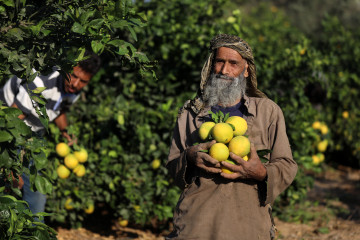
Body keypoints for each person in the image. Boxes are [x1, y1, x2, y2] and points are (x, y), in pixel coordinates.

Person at [166, 34, 298, 240]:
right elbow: (173, 166)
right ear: (211, 65)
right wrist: (189, 157)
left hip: (248, 224)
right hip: (197, 224)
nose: (224, 71)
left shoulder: (268, 111)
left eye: (233, 63)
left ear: (246, 70)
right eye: (219, 62)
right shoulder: (191, 113)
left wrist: (261, 172)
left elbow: (287, 165)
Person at [0, 51, 101, 218]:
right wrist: (9, 166)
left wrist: (65, 132)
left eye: (83, 81)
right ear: (67, 68)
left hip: (30, 133)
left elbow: (60, 108)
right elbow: (11, 122)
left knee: (35, 193)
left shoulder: (73, 90)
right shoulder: (41, 81)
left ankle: (30, 232)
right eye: (73, 76)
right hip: (8, 129)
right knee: (10, 186)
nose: (75, 84)